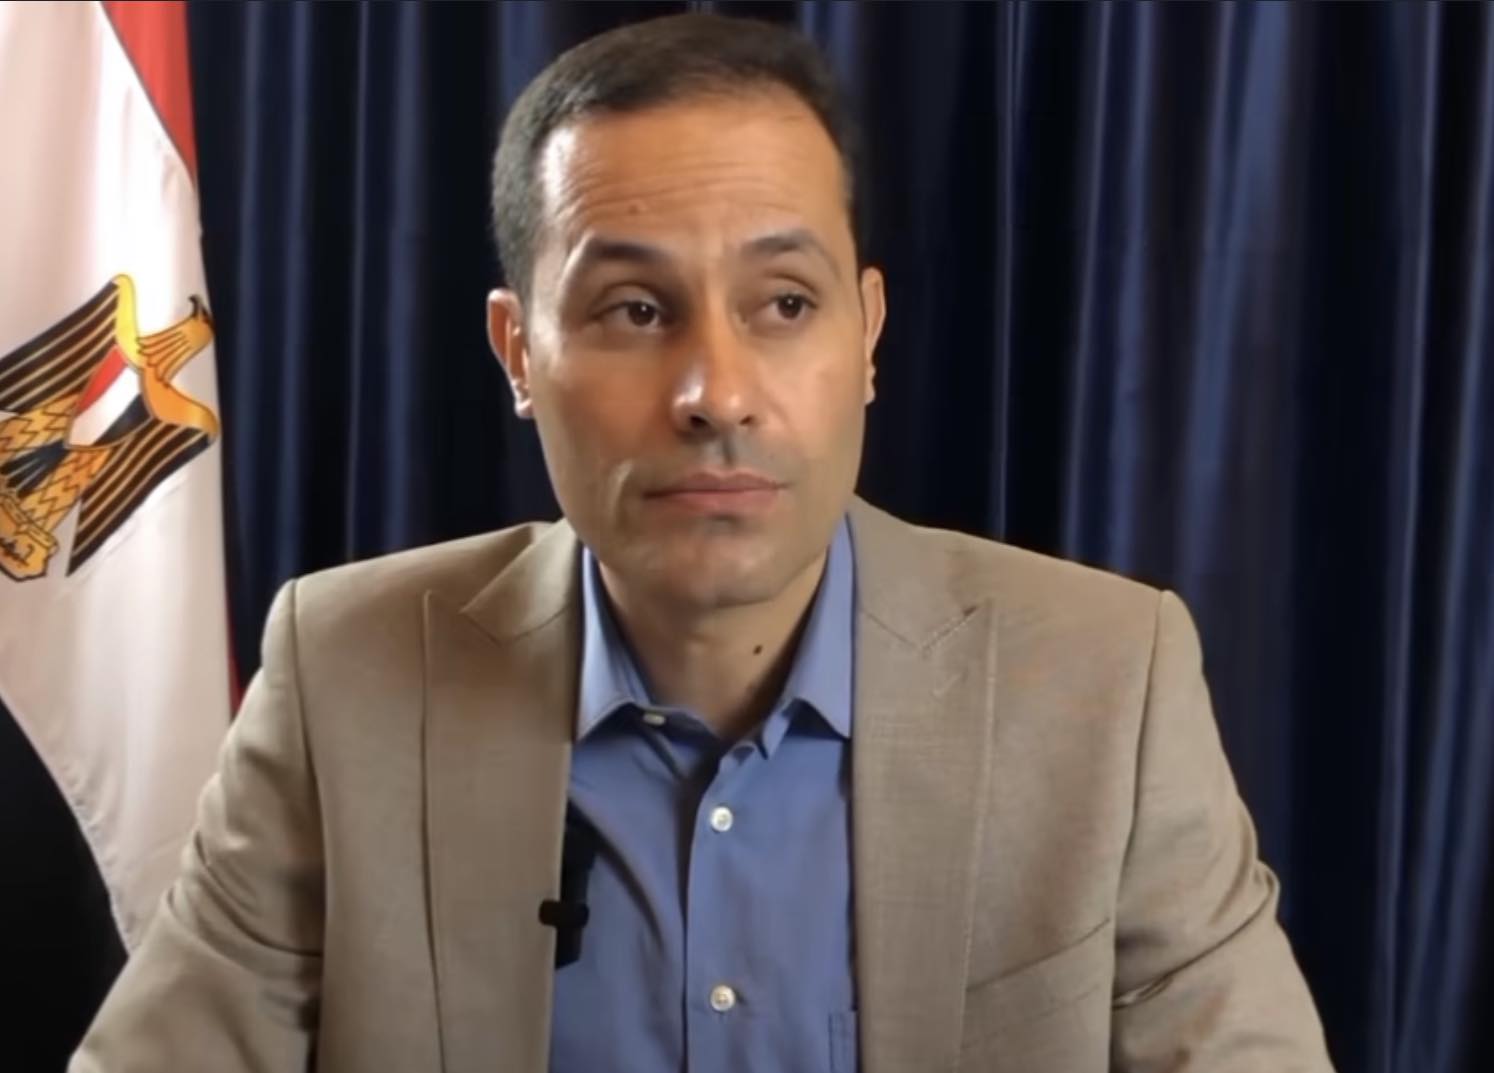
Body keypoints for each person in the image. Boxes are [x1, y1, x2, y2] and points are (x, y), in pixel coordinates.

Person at [72, 12, 1336, 1073]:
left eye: (783, 302)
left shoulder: (1106, 681)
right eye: (635, 309)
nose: (716, 393)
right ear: (519, 354)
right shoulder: (345, 674)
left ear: (867, 333)